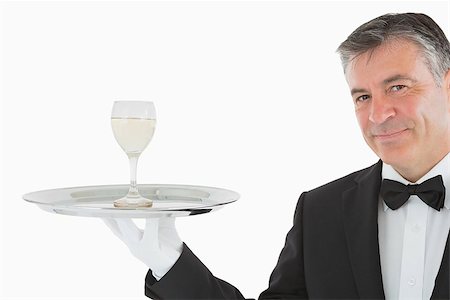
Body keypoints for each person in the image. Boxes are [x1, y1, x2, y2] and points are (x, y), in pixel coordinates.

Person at [104, 12, 450, 299]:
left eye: (398, 87)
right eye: (362, 97)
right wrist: (172, 264)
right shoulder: (320, 212)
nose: (377, 115)